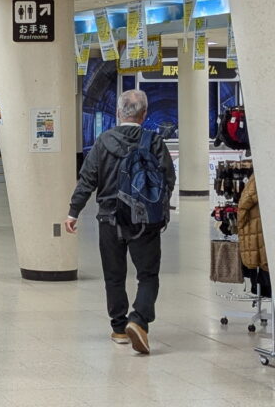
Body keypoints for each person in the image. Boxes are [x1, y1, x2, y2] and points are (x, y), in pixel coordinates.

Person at [66, 89, 176, 355]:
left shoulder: (104, 141)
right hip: (144, 220)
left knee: (114, 276)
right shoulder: (154, 142)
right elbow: (168, 180)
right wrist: (157, 210)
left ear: (118, 113)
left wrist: (73, 211)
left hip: (109, 217)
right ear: (145, 114)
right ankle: (138, 320)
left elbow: (88, 180)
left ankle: (118, 328)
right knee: (147, 275)